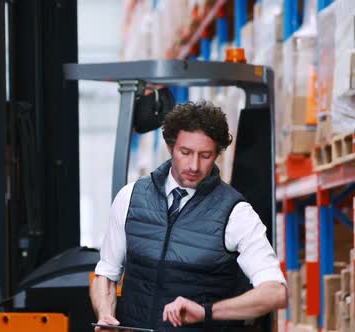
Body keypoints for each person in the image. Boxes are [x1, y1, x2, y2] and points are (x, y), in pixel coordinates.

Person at [90, 101, 287, 331]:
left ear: (217, 154)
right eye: (186, 152)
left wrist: (206, 312)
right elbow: (106, 273)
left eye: (205, 155)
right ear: (171, 146)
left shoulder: (235, 213)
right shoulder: (130, 198)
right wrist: (105, 314)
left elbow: (275, 293)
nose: (194, 165)